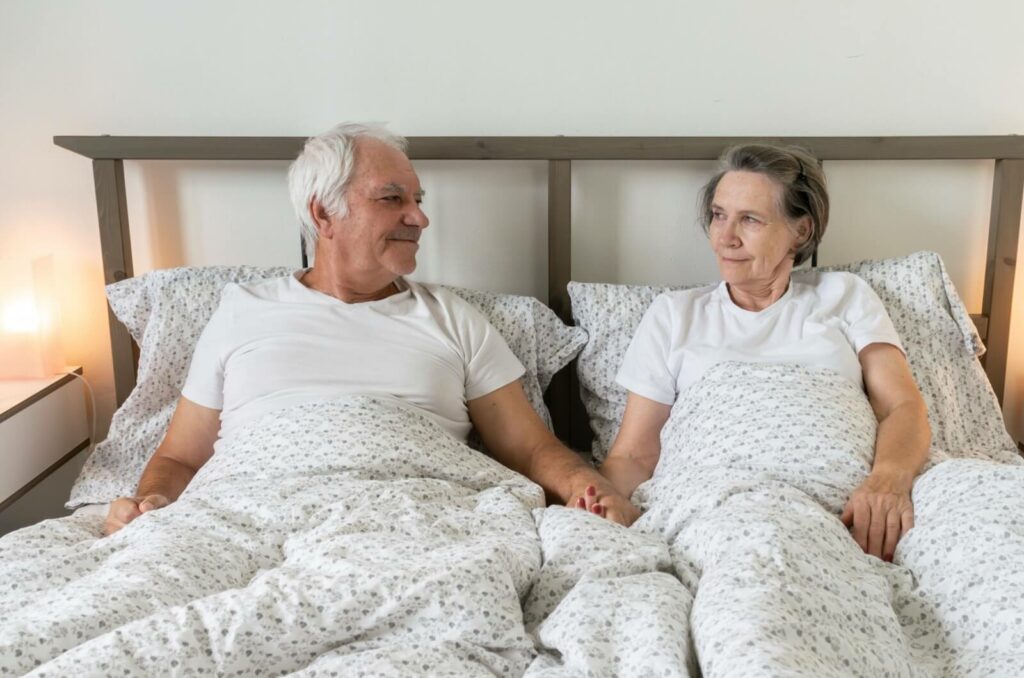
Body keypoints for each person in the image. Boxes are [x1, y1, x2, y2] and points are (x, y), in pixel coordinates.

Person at [104, 122, 639, 535]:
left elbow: (528, 447)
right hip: (250, 510)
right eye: (393, 199)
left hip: (417, 519)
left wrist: (585, 485)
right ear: (323, 213)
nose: (420, 218)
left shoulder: (453, 319)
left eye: (418, 200)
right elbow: (178, 458)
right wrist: (150, 502)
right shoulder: (241, 311)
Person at [598, 144, 931, 561]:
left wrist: (888, 480)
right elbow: (633, 454)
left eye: (750, 220)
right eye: (719, 215)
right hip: (714, 507)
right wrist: (608, 506)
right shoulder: (674, 314)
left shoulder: (845, 297)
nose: (725, 237)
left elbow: (903, 407)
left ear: (802, 231)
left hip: (841, 513)